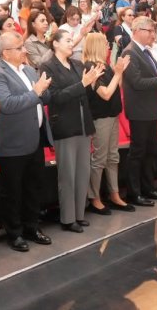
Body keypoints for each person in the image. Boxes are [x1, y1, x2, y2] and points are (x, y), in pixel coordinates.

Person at [0, 32, 54, 252]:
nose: (24, 51)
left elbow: (44, 98)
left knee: (33, 187)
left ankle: (32, 227)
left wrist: (44, 90)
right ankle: (14, 233)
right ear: (6, 53)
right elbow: (7, 104)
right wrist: (36, 91)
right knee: (12, 191)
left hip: (34, 138)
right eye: (19, 48)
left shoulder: (28, 70)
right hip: (12, 142)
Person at [38, 30, 103, 233]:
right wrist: (82, 84)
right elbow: (55, 97)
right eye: (67, 40)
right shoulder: (48, 66)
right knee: (67, 175)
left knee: (83, 172)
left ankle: (79, 214)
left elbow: (84, 93)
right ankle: (67, 218)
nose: (71, 43)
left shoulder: (77, 64)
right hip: (65, 126)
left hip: (83, 124)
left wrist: (91, 83)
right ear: (55, 44)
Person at [121, 16, 157, 207]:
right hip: (139, 110)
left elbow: (152, 78)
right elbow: (137, 83)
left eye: (154, 31)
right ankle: (134, 193)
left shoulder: (146, 51)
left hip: (150, 109)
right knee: (137, 153)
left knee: (150, 151)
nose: (153, 35)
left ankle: (148, 188)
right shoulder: (129, 52)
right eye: (150, 31)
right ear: (137, 31)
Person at [81, 33, 134, 214]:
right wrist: (118, 72)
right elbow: (105, 94)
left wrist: (119, 71)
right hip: (100, 118)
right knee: (100, 158)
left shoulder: (104, 65)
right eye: (105, 43)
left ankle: (114, 194)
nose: (108, 46)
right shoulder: (90, 67)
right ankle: (94, 197)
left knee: (113, 156)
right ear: (97, 45)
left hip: (112, 115)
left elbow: (115, 87)